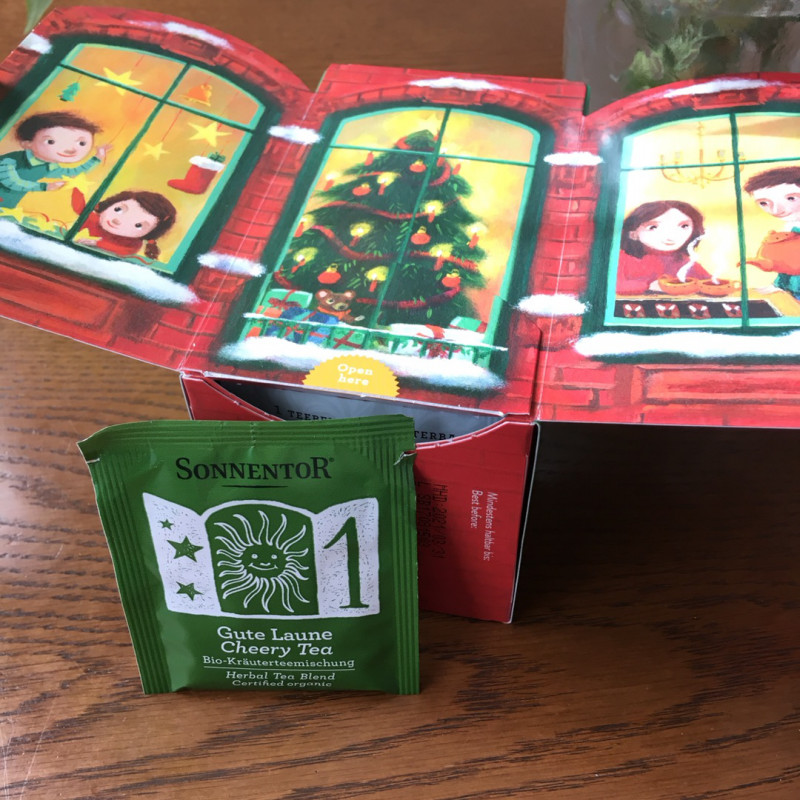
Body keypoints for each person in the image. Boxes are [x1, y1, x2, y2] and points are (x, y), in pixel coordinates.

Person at [0, 111, 111, 208]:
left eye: (81, 143)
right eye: (51, 141)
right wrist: (44, 186)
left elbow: (73, 172)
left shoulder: (48, 166)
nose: (70, 149)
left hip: (7, 206)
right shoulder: (10, 160)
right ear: (27, 143)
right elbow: (11, 182)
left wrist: (97, 158)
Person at [616, 199, 711, 295]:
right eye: (653, 227)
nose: (671, 235)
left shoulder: (683, 261)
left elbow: (708, 282)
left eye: (684, 226)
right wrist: (648, 285)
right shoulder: (621, 259)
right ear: (633, 234)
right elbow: (614, 285)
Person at [743, 166, 800, 298]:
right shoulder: (789, 228)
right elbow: (787, 267)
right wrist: (777, 286)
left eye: (791, 198)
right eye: (764, 203)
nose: (776, 210)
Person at [72, 189, 177, 260]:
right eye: (118, 209)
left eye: (138, 225)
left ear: (151, 233)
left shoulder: (132, 243)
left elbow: (125, 251)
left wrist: (97, 244)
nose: (117, 221)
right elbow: (80, 209)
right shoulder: (95, 221)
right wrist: (76, 186)